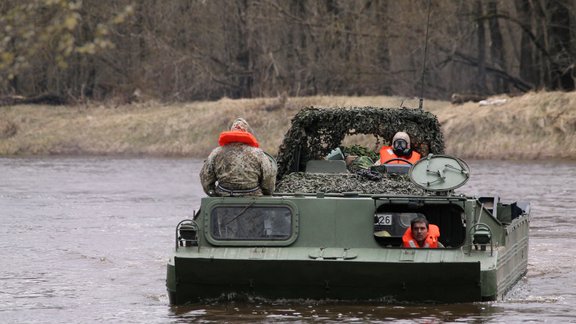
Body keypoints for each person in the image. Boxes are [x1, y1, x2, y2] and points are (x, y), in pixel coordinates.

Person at [200, 118, 276, 197]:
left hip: (223, 197)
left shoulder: (216, 153)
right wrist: (266, 193)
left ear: (230, 131)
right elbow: (268, 180)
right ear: (247, 132)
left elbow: (206, 179)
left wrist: (213, 194)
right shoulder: (259, 153)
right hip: (253, 197)